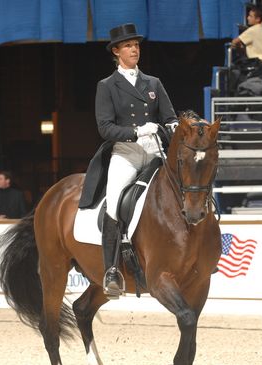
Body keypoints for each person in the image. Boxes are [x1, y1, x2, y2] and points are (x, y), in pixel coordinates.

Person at [89, 23, 178, 298]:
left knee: (180, 193)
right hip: (126, 154)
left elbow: (169, 116)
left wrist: (175, 127)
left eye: (137, 45)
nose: (134, 49)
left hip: (153, 153)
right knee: (114, 205)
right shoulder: (107, 86)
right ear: (116, 51)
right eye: (128, 46)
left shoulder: (153, 83)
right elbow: (104, 128)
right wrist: (136, 131)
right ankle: (111, 271)